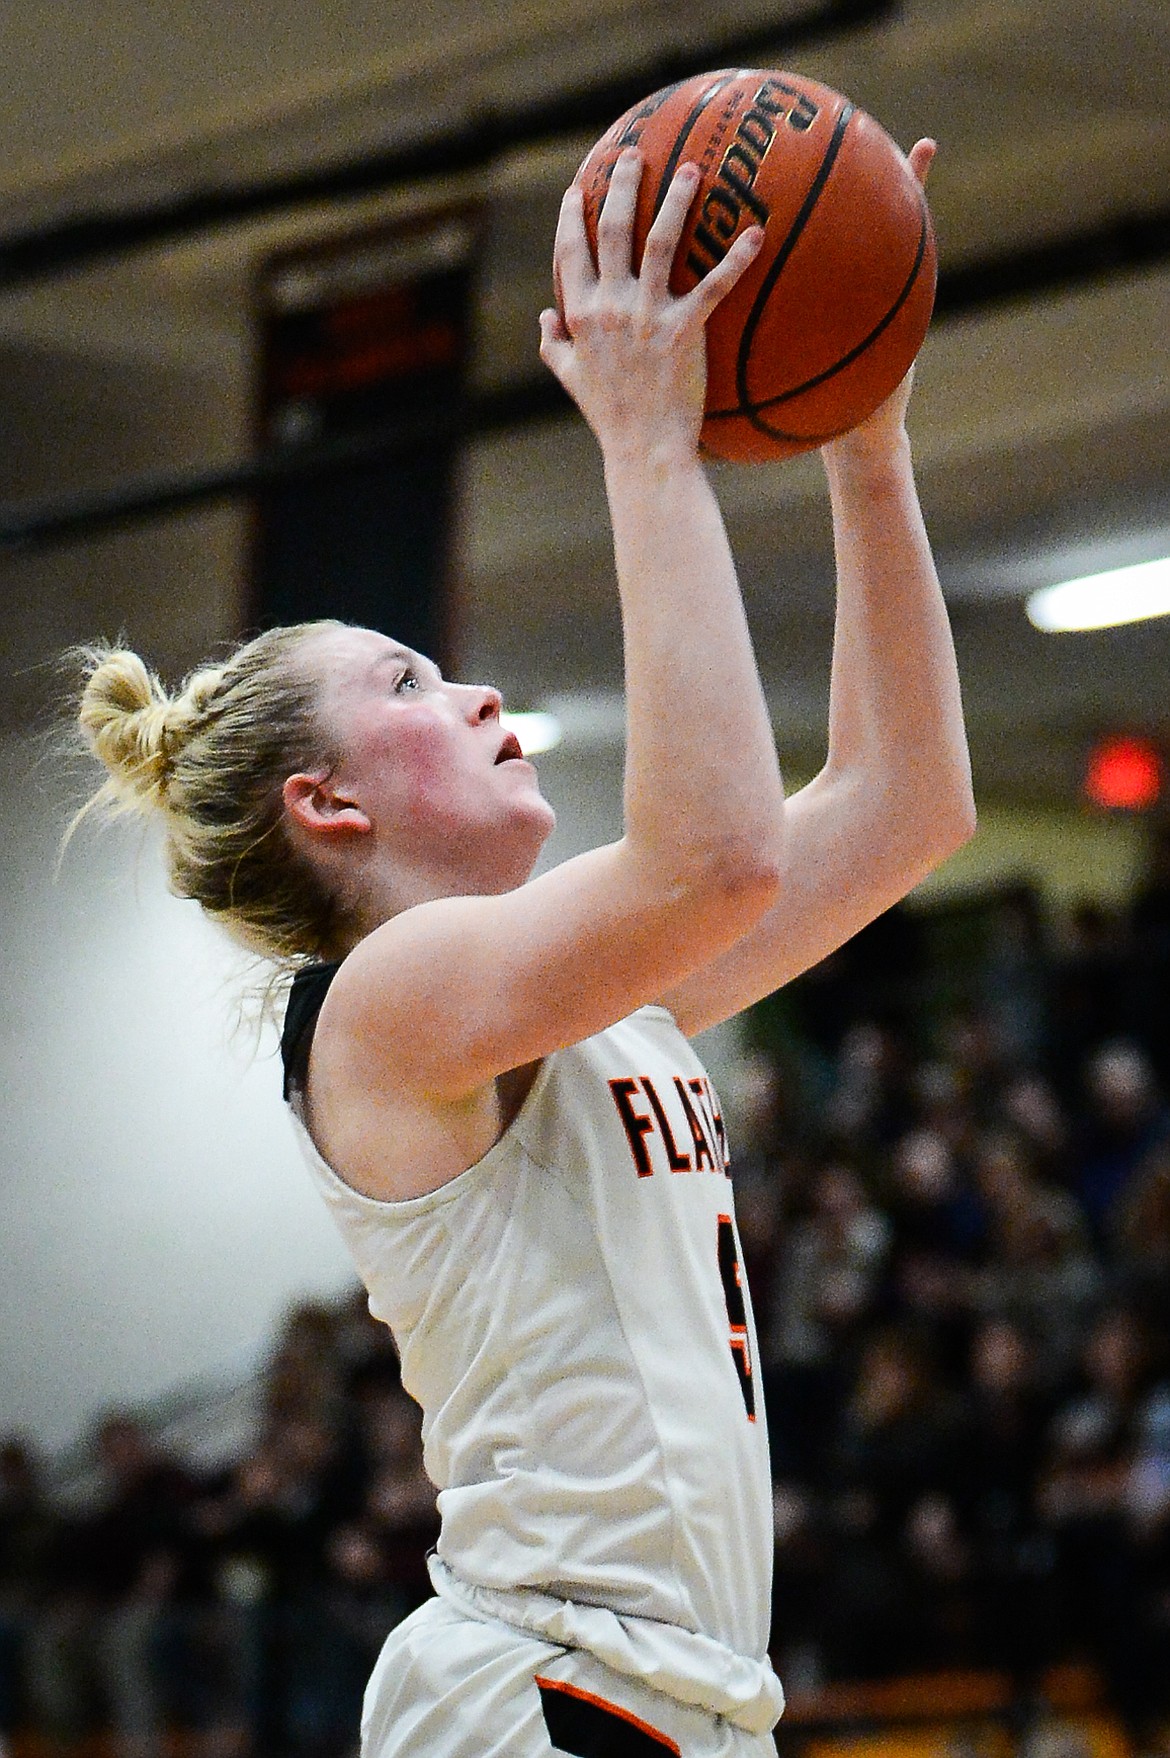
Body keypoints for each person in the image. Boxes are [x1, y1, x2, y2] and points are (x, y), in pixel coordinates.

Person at [72, 141, 973, 1757]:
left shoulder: (586, 1003)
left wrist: (869, 441)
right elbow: (714, 856)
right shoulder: (381, 1005)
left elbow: (904, 803)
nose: (478, 695)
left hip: (676, 1696)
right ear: (325, 802)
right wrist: (643, 443)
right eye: (413, 683)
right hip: (544, 1690)